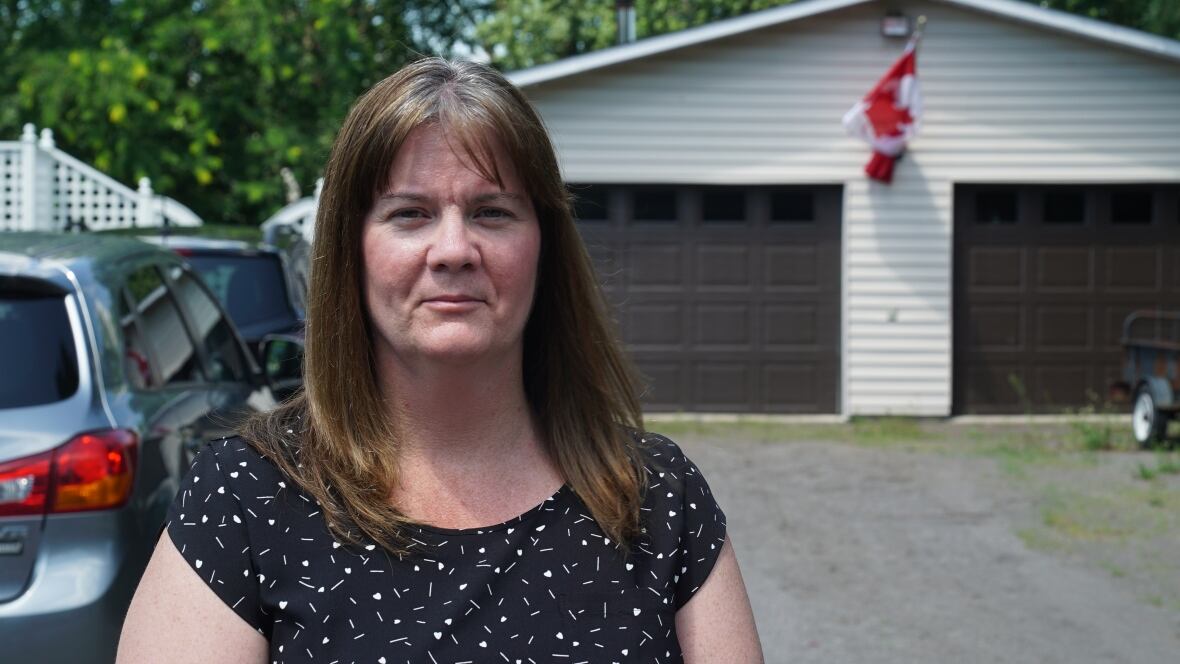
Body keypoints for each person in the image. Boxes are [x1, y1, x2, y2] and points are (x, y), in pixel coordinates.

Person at [117, 57, 763, 663]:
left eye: (491, 212)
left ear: (544, 247)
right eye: (410, 214)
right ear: (353, 251)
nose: (453, 249)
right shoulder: (247, 498)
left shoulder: (658, 498)